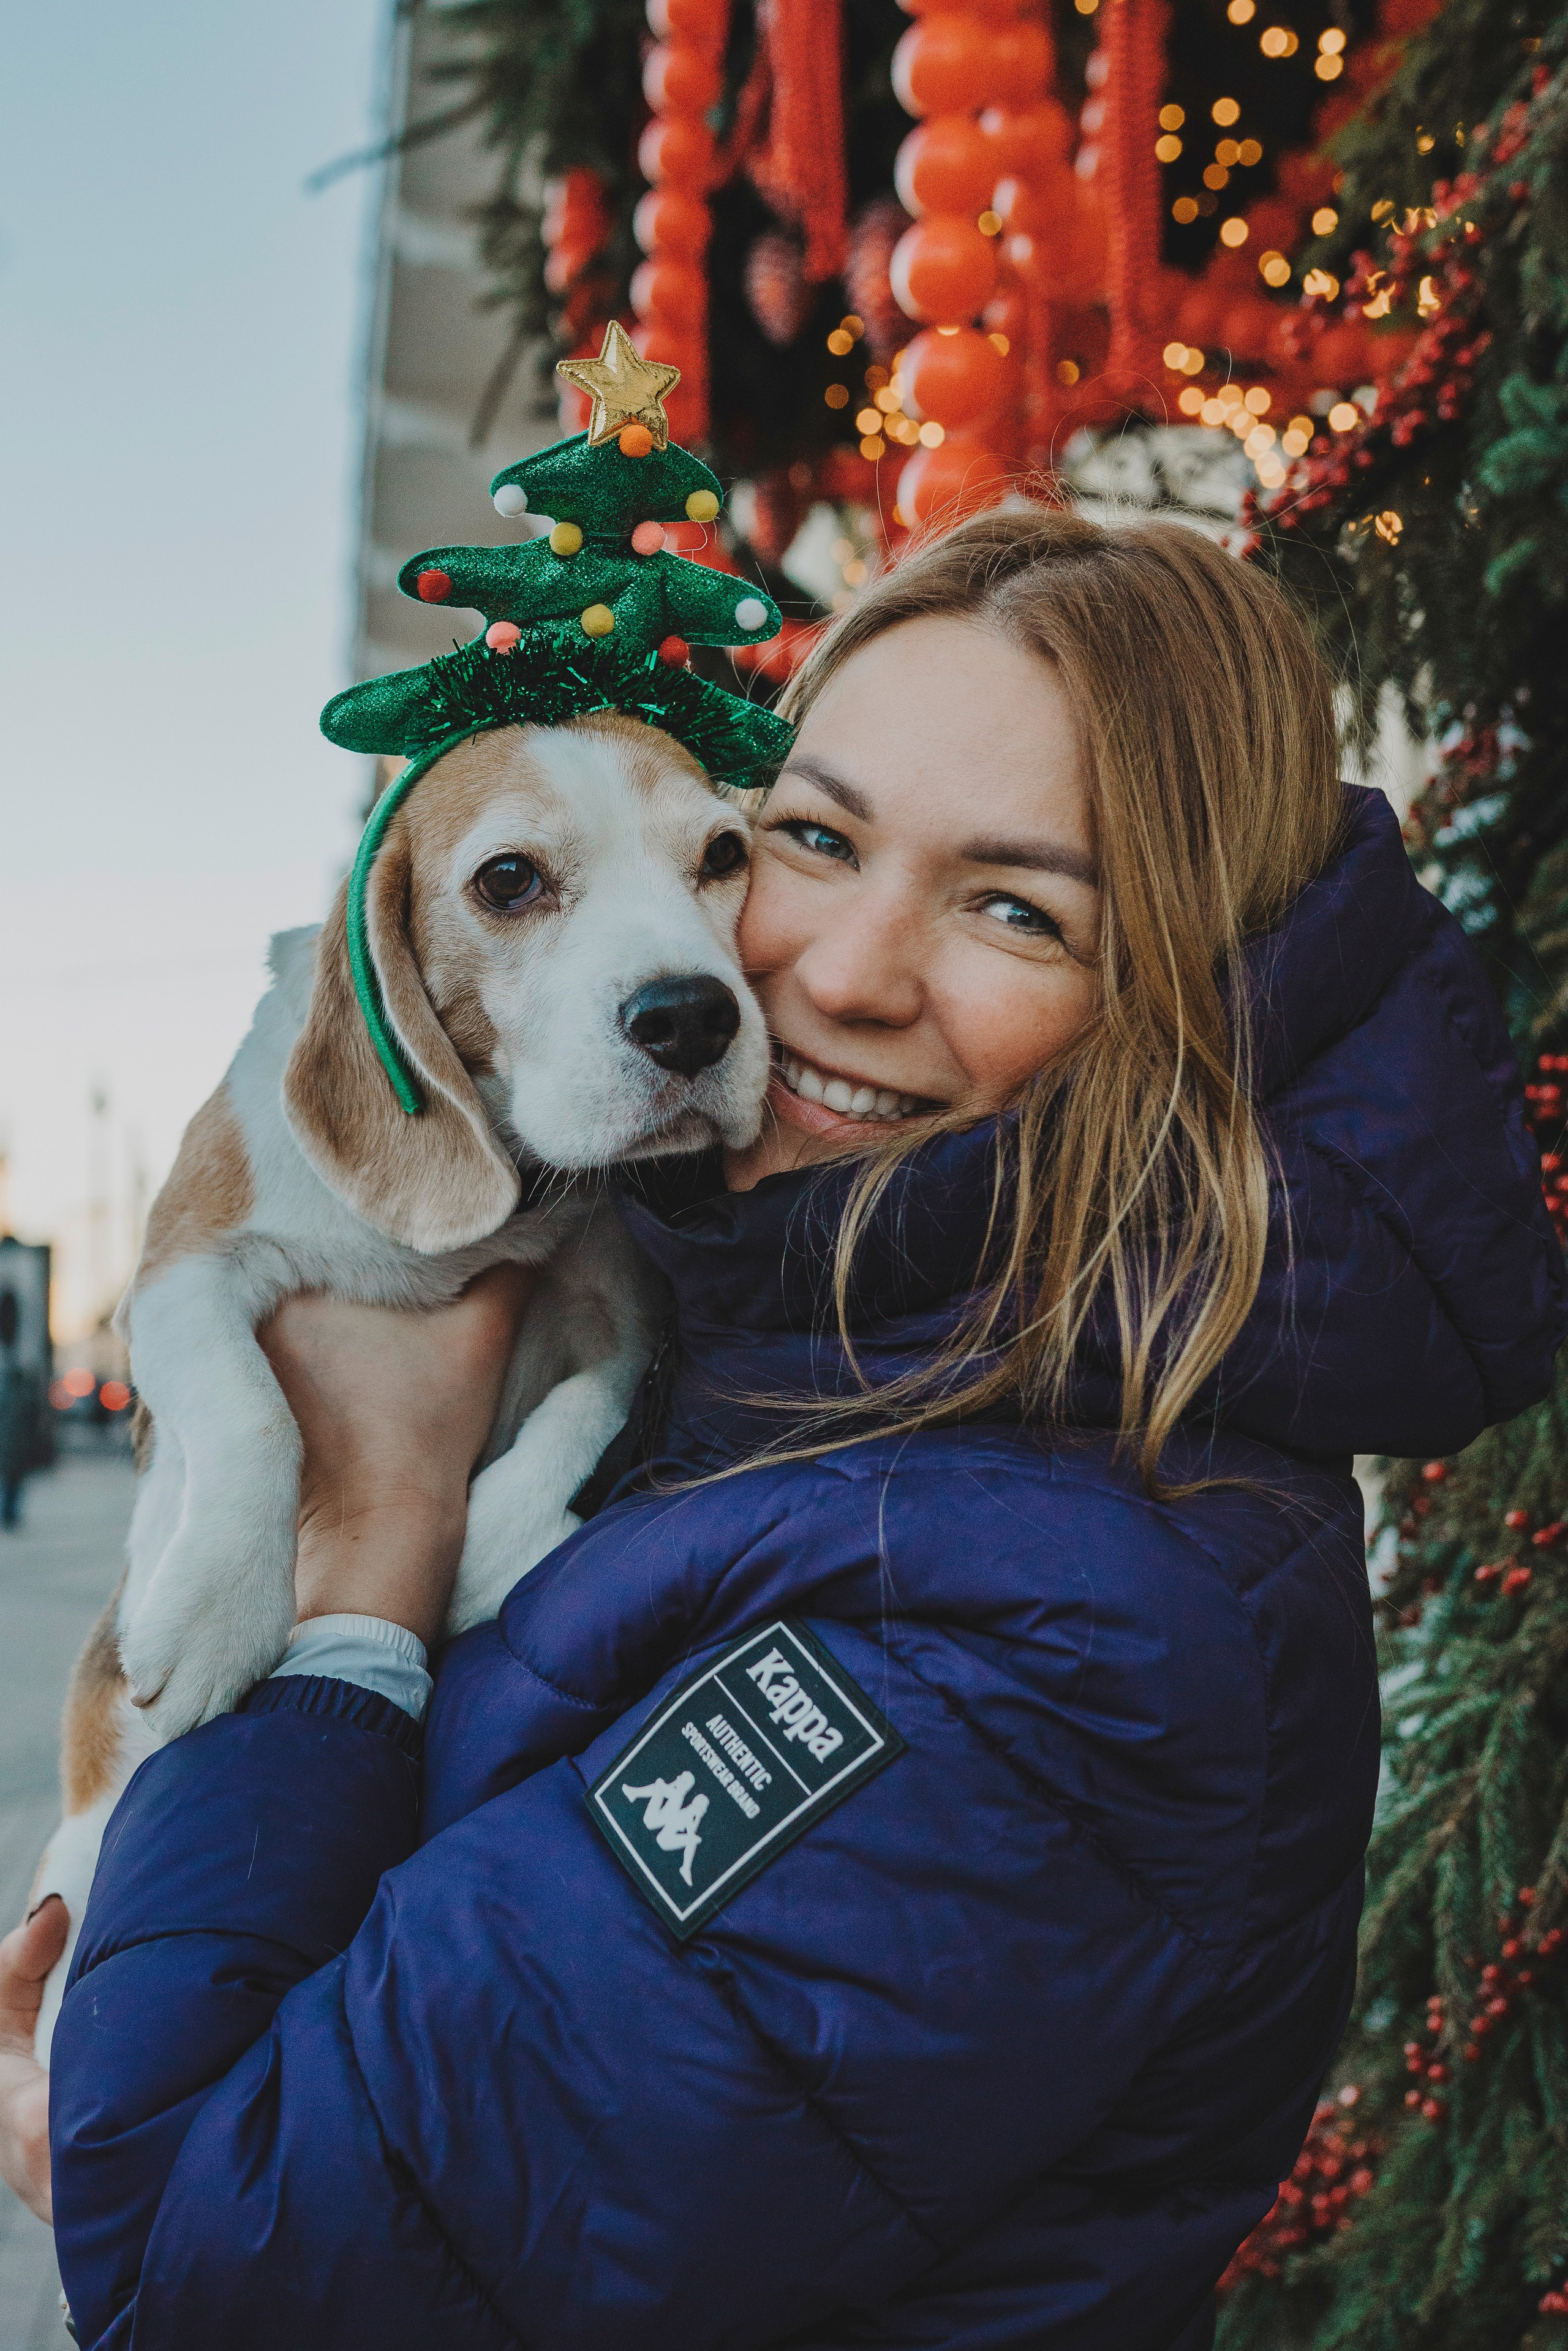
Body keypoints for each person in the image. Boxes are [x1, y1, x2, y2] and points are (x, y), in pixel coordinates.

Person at [4, 511, 1562, 2350]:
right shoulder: (785, 1328)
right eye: (811, 839)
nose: (837, 973)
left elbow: (227, 2271)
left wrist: (364, 1557)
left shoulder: (1084, 1646)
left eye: (1017, 909)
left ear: (1186, 1002)